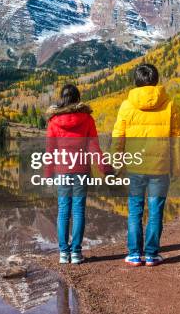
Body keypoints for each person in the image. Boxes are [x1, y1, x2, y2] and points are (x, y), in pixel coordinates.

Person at [112, 63, 180, 267]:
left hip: (135, 167)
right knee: (156, 210)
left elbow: (118, 136)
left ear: (136, 81)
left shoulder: (126, 105)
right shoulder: (169, 104)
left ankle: (134, 253)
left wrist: (116, 162)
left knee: (135, 209)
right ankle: (151, 254)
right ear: (156, 80)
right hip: (160, 167)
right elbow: (176, 138)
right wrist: (177, 166)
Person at [45, 84, 113, 265]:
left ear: (62, 98)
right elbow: (93, 147)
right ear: (77, 98)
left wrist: (47, 172)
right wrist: (104, 167)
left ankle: (63, 253)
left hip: (62, 170)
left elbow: (50, 150)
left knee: (63, 211)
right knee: (78, 210)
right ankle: (76, 253)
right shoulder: (87, 119)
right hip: (81, 169)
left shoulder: (53, 121)